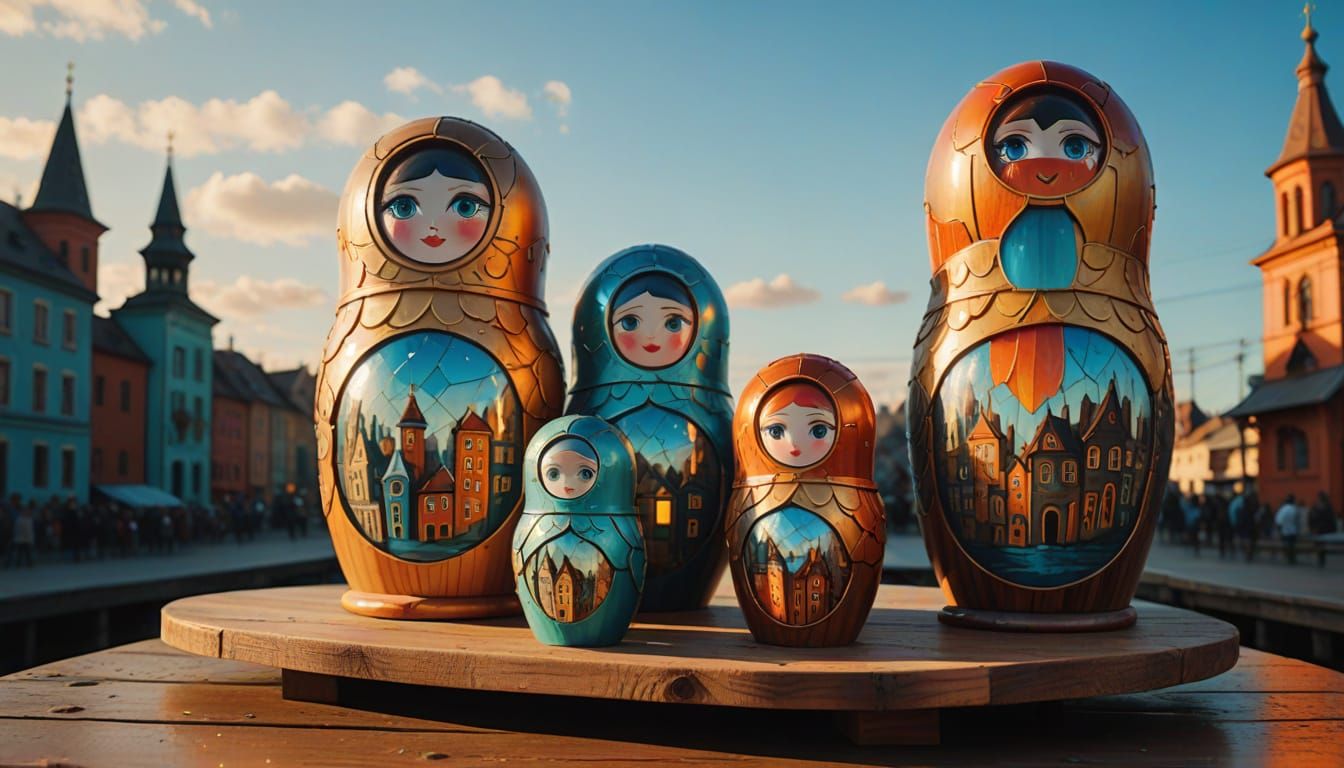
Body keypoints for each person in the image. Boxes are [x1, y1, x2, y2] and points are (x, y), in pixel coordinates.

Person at [1308, 491, 1337, 567]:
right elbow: (1331, 519)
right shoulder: (1327, 506)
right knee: (1321, 544)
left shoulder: (1316, 507)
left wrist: (1312, 527)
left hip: (1319, 529)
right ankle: (1321, 559)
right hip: (1323, 529)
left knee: (1319, 544)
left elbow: (1311, 518)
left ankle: (1320, 559)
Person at [1276, 494, 1301, 565]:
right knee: (1292, 545)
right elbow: (1297, 522)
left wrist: (1279, 530)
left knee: (1286, 545)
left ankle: (1288, 558)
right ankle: (1292, 558)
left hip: (1285, 531)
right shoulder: (1295, 509)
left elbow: (1278, 521)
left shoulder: (1283, 509)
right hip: (1293, 531)